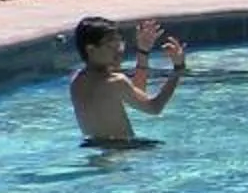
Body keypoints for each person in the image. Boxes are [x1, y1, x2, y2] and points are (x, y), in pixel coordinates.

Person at [71, 14, 186, 147]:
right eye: (111, 46)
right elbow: (154, 107)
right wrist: (178, 70)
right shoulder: (115, 82)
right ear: (91, 49)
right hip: (124, 152)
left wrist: (143, 52)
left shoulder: (77, 79)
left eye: (119, 43)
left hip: (93, 147)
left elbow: (136, 93)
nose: (119, 50)